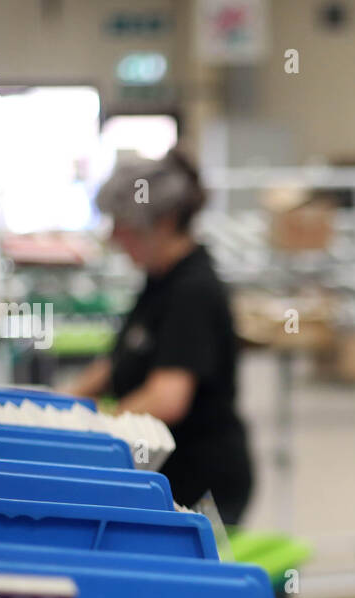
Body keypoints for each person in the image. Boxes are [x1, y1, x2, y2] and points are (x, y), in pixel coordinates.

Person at [66, 151, 252, 524]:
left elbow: (166, 398)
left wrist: (93, 433)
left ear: (165, 223)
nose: (115, 237)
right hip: (166, 474)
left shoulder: (194, 291)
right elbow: (115, 364)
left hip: (199, 483)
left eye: (125, 226)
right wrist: (59, 408)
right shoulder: (159, 280)